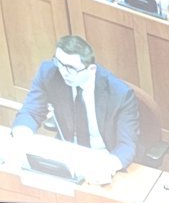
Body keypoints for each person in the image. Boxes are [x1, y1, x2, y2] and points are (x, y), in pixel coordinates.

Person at [12, 34, 138, 182]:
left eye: (71, 68)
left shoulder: (120, 94)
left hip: (103, 157)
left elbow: (126, 145)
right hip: (67, 152)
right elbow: (31, 111)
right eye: (59, 63)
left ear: (91, 69)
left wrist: (107, 166)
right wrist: (21, 137)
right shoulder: (49, 72)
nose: (63, 72)